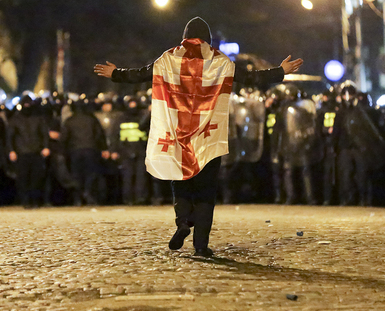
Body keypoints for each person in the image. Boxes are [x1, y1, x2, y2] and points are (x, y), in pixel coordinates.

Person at [95, 16, 302, 257]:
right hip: (208, 136)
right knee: (206, 192)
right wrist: (280, 71)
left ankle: (183, 221)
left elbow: (141, 74)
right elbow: (250, 77)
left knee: (179, 179)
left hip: (177, 134)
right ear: (208, 38)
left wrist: (116, 73)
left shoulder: (168, 58)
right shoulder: (220, 61)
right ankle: (201, 246)